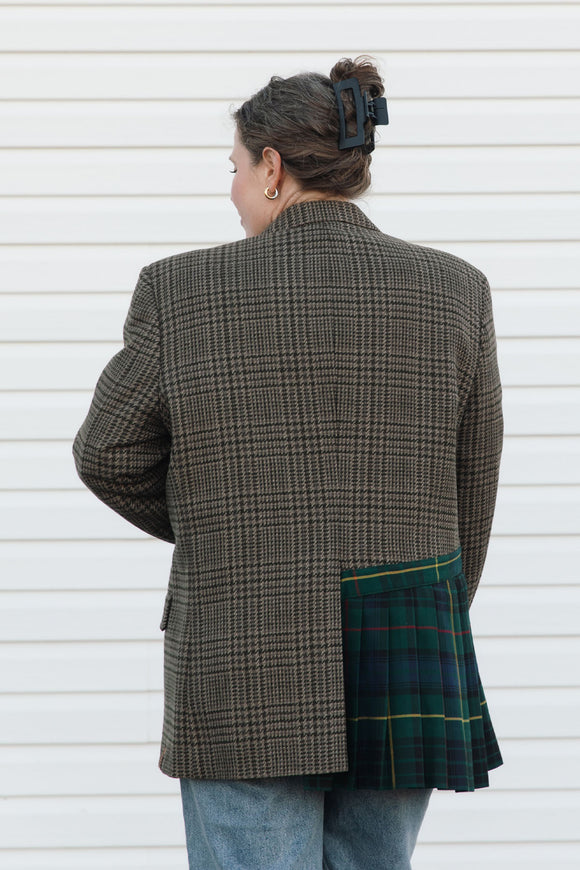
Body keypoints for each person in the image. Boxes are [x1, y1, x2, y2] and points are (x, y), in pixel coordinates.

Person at [73, 56, 504, 870]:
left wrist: (222, 531)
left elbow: (106, 453)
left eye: (234, 168)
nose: (232, 188)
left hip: (243, 641)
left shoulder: (181, 290)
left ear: (272, 168)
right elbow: (470, 486)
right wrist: (433, 609)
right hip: (408, 634)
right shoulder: (455, 289)